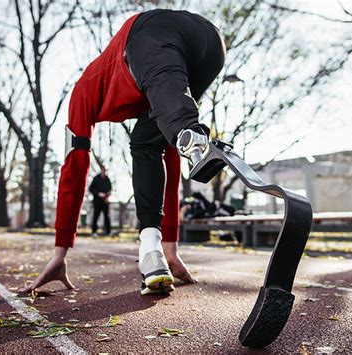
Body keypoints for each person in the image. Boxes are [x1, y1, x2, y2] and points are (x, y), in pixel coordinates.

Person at [19, 9, 226, 295]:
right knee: (151, 142)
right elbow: (170, 161)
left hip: (147, 33)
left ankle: (191, 137)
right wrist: (171, 246)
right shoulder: (139, 92)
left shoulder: (83, 90)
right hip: (212, 47)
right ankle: (154, 251)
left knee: (165, 134)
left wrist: (60, 249)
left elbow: (74, 168)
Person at [89, 166, 112, 235]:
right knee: (96, 216)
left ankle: (108, 232)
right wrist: (98, 193)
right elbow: (91, 189)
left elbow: (110, 189)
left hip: (105, 201)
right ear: (101, 170)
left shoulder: (108, 179)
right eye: (103, 170)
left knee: (107, 216)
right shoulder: (96, 178)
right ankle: (94, 232)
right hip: (97, 201)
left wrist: (108, 195)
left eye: (105, 170)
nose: (104, 171)